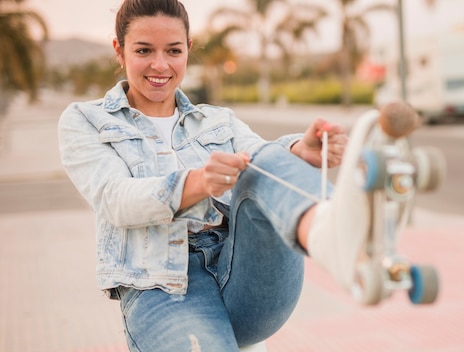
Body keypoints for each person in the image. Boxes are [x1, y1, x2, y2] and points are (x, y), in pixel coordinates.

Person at [58, 0, 377, 350]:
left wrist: (299, 150)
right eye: (144, 50)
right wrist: (197, 183)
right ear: (119, 50)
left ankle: (331, 231)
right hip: (162, 290)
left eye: (174, 50)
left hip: (245, 274)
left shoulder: (217, 119)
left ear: (188, 50)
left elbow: (262, 160)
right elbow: (114, 198)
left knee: (264, 162)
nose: (160, 65)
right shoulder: (86, 120)